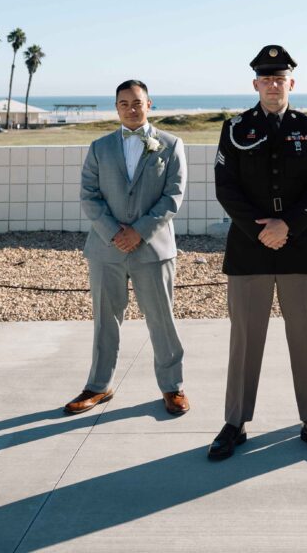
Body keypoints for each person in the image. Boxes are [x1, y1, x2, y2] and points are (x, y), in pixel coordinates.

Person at [208, 46, 307, 459]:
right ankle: (235, 423)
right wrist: (259, 230)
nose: (272, 85)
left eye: (279, 79)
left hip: (299, 245)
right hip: (249, 247)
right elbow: (225, 187)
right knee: (245, 338)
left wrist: (288, 225)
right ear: (255, 84)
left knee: (305, 336)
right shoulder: (235, 128)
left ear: (291, 84)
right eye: (265, 80)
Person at [64, 80, 189, 417]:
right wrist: (113, 232)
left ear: (150, 105)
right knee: (106, 319)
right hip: (107, 249)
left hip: (153, 249)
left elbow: (172, 197)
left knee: (162, 320)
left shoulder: (171, 144)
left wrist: (139, 232)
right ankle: (98, 385)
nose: (131, 109)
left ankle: (172, 386)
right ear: (116, 108)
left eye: (137, 102)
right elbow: (89, 195)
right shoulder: (99, 147)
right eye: (124, 103)